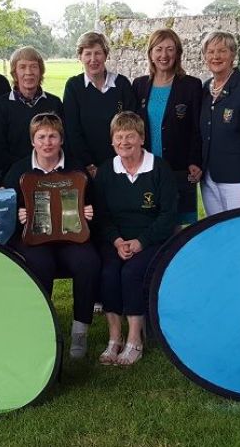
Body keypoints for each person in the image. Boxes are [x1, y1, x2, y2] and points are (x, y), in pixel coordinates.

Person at [2, 113, 98, 360]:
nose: (47, 142)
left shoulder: (76, 168)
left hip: (70, 237)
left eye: (52, 136)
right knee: (40, 264)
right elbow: (4, 209)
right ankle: (42, 328)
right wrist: (18, 215)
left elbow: (93, 203)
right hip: (34, 239)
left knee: (88, 262)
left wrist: (88, 211)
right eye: (41, 137)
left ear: (61, 139)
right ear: (32, 141)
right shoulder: (19, 170)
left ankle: (80, 329)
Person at [93, 112, 177, 366]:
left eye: (130, 135)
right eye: (119, 137)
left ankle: (134, 340)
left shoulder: (159, 168)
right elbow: (101, 216)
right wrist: (117, 241)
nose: (124, 141)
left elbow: (168, 215)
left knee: (132, 273)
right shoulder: (107, 171)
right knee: (108, 272)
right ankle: (114, 339)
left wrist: (140, 241)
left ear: (141, 138)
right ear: (112, 142)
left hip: (152, 239)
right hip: (117, 240)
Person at [132, 28, 203, 226]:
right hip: (146, 167)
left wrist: (195, 160)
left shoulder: (191, 85)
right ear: (151, 54)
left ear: (178, 53)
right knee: (149, 221)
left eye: (170, 49)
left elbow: (197, 128)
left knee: (178, 226)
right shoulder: (139, 85)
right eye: (159, 49)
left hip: (179, 168)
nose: (164, 55)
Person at [199, 31, 240, 215]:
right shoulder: (204, 89)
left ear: (233, 54)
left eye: (222, 51)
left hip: (237, 178)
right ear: (205, 56)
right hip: (208, 177)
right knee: (215, 229)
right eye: (211, 51)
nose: (216, 56)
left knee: (239, 230)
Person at [63, 31, 136, 178]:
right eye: (87, 54)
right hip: (86, 169)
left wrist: (123, 161)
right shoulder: (74, 86)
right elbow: (72, 130)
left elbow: (133, 125)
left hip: (122, 165)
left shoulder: (121, 84)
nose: (93, 59)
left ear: (106, 55)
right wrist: (89, 165)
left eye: (98, 53)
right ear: (80, 57)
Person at [0, 46, 63, 176]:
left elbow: (62, 141)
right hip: (15, 175)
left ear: (40, 71)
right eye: (22, 67)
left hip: (51, 173)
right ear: (14, 73)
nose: (28, 72)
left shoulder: (54, 103)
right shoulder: (1, 105)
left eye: (34, 66)